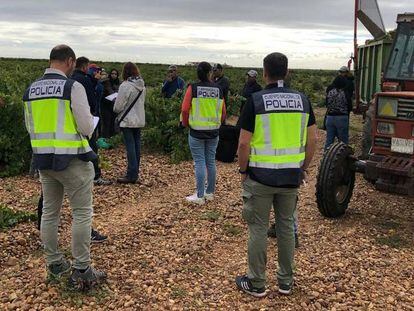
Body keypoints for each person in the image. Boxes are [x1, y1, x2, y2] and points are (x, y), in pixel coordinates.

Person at [22, 44, 106, 289]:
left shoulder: (30, 90)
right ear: (70, 61)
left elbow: (30, 126)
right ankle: (82, 269)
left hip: (44, 160)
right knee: (81, 213)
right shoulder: (72, 87)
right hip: (72, 160)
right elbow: (86, 126)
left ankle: (54, 263)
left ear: (51, 61)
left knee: (50, 212)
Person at [235, 52, 317, 297]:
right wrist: (303, 168)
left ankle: (256, 283)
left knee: (258, 228)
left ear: (264, 72)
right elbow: (313, 139)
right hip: (290, 177)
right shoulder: (303, 101)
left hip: (260, 177)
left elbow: (243, 144)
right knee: (286, 227)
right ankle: (285, 282)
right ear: (287, 71)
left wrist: (242, 170)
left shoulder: (256, 100)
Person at [181, 62, 226, 205]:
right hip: (213, 131)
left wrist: (186, 123)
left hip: (196, 132)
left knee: (199, 161)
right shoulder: (218, 89)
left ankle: (199, 196)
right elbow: (223, 112)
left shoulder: (192, 88)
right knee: (211, 161)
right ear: (210, 73)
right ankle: (210, 193)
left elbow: (185, 109)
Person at [71, 57, 111, 186]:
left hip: (71, 120)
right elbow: (92, 101)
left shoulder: (69, 79)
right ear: (84, 67)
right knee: (92, 147)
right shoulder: (84, 80)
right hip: (87, 117)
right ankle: (95, 175)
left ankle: (77, 175)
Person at [114, 62, 146, 184]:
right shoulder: (142, 86)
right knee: (137, 147)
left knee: (130, 148)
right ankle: (135, 172)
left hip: (127, 120)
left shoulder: (125, 86)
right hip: (139, 120)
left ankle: (131, 174)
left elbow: (118, 106)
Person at [324, 75, 352, 150]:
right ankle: (343, 159)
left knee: (329, 140)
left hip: (330, 118)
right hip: (342, 118)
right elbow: (350, 106)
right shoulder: (345, 93)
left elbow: (326, 104)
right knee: (343, 142)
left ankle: (326, 157)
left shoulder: (330, 92)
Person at [100, 69, 120, 140]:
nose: (113, 75)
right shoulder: (106, 82)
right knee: (106, 123)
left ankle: (112, 138)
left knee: (113, 123)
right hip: (105, 105)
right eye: (112, 73)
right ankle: (105, 138)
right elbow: (108, 91)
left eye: (115, 74)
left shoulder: (119, 83)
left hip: (114, 105)